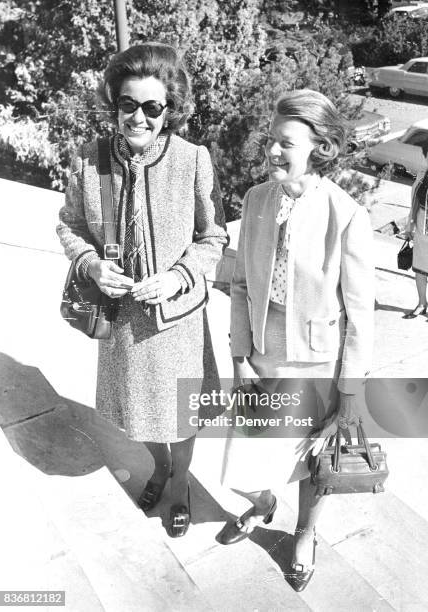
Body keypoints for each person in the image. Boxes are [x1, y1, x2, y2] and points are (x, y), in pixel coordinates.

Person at [57, 42, 228, 537]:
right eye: (128, 104)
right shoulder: (90, 161)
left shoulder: (194, 160)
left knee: (182, 414)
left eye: (153, 107)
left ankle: (178, 484)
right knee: (140, 415)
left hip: (176, 323)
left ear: (170, 108)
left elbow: (214, 235)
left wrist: (177, 276)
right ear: (114, 102)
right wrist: (90, 263)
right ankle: (160, 467)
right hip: (123, 320)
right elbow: (69, 225)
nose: (139, 118)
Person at [217, 89, 374, 591]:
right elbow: (239, 285)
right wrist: (240, 357)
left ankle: (304, 535)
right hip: (261, 357)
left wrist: (349, 395)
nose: (272, 152)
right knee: (241, 457)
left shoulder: (346, 214)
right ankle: (262, 505)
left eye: (285, 142)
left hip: (316, 364)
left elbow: (361, 316)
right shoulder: (257, 199)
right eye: (270, 140)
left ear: (319, 146)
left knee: (311, 462)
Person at [403, 148, 428, 319]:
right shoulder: (422, 175)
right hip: (421, 226)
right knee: (420, 269)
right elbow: (414, 203)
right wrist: (409, 226)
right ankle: (421, 304)